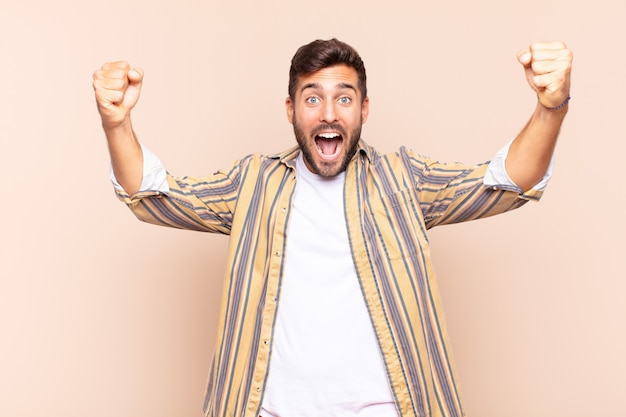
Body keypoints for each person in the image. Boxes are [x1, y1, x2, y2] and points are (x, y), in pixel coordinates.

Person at [93, 38, 572, 417]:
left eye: (344, 98)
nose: (328, 113)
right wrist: (116, 123)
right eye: (312, 98)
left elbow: (510, 180)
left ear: (363, 111)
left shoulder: (402, 180)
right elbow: (153, 197)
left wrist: (551, 107)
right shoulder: (253, 184)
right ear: (291, 111)